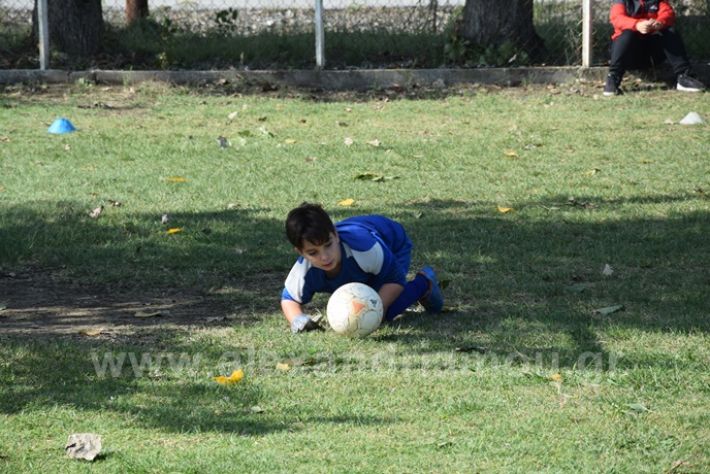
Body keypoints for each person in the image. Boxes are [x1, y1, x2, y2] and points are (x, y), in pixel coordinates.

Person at [281, 203, 444, 333]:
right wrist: (298, 319)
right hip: (366, 259)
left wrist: (376, 310)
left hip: (392, 243)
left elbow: (395, 280)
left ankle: (424, 283)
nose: (324, 257)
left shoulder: (365, 249)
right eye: (312, 252)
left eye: (328, 245)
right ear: (300, 252)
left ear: (336, 235)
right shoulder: (304, 271)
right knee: (365, 302)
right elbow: (289, 298)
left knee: (381, 313)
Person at [604, 0, 705, 96]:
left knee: (669, 31)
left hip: (651, 55)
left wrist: (659, 23)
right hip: (628, 55)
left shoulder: (658, 1)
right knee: (627, 34)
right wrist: (637, 25)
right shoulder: (622, 1)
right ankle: (612, 80)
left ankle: (684, 77)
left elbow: (668, 13)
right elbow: (617, 18)